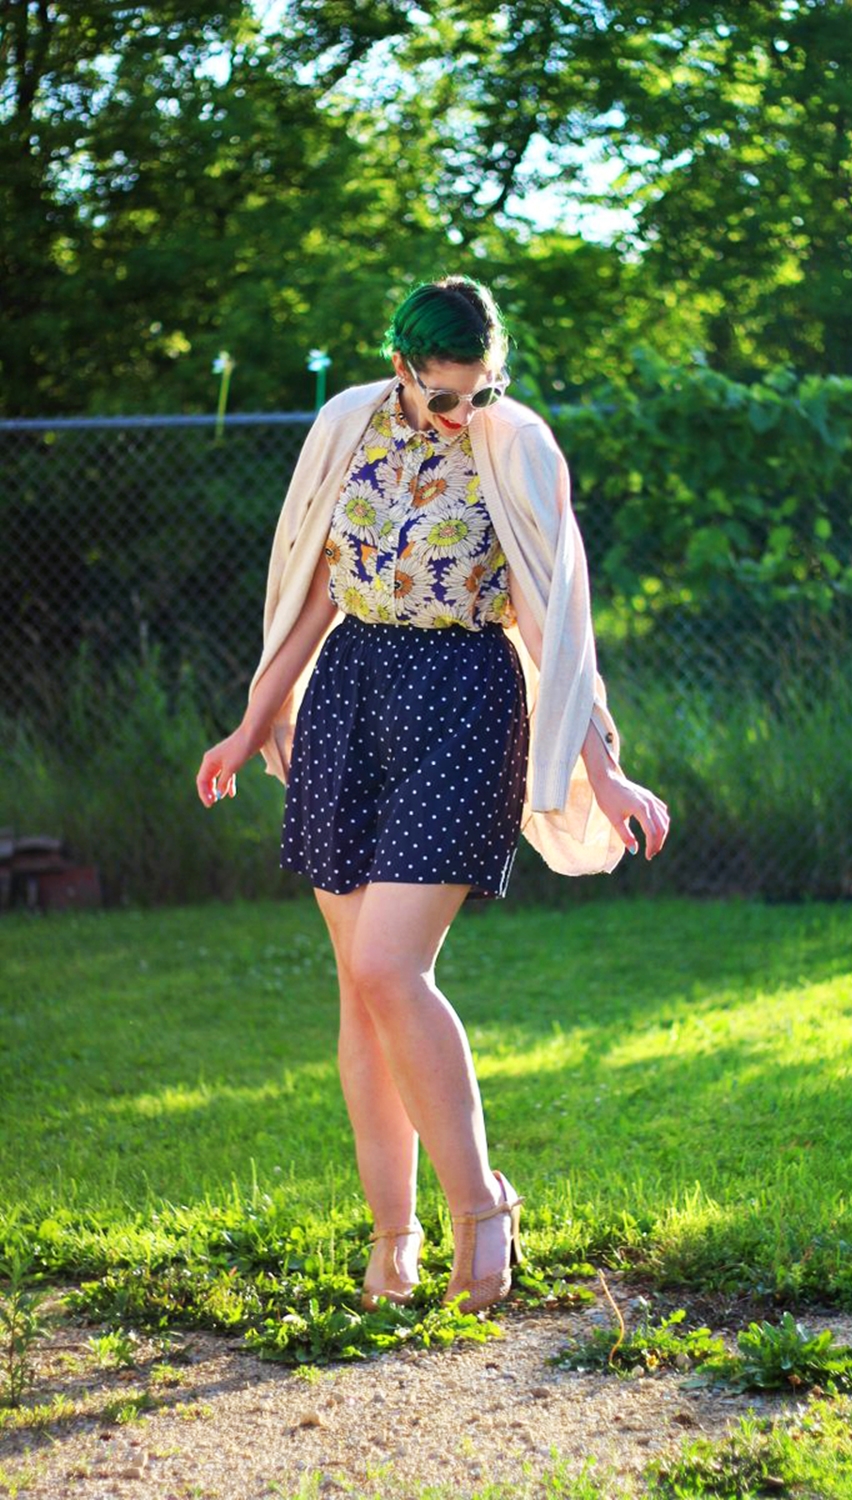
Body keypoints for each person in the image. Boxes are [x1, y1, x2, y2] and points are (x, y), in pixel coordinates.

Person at [195, 276, 669, 1315]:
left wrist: (602, 766)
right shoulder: (345, 425)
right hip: (349, 699)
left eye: (480, 389)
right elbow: (316, 589)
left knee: (390, 965)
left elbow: (551, 617)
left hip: (464, 700)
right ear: (402, 367)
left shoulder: (512, 445)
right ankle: (391, 1234)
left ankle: (480, 1206)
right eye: (447, 393)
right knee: (359, 995)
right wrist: (251, 717)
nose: (467, 411)